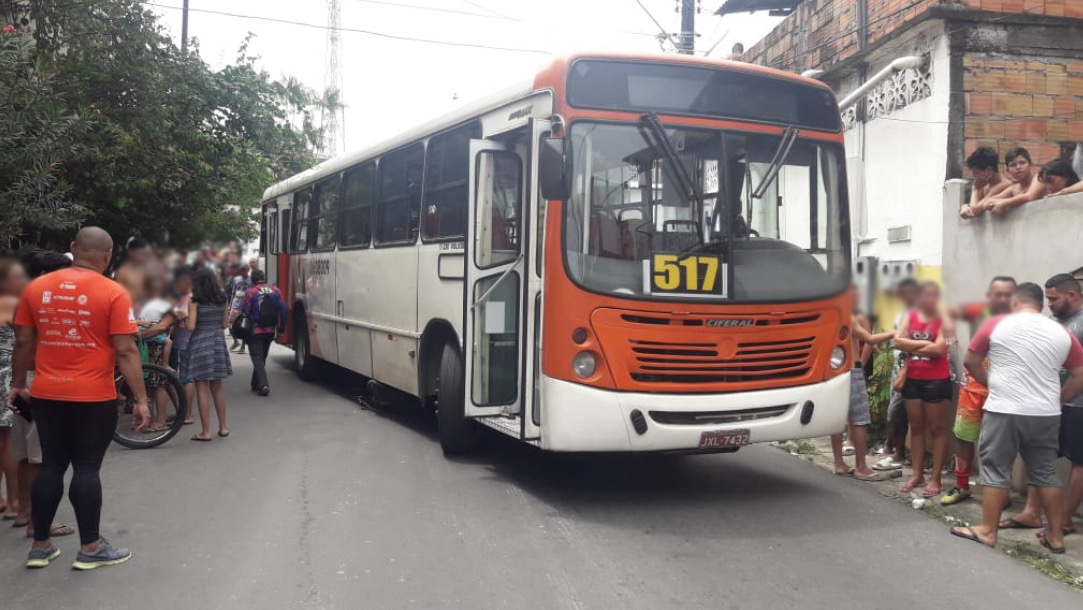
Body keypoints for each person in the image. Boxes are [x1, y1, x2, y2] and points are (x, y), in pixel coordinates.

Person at [8, 227, 150, 570]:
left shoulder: (36, 289)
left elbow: (23, 343)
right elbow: (126, 350)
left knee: (52, 465)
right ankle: (90, 547)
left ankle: (40, 547)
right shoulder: (114, 293)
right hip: (93, 396)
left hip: (46, 393)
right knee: (87, 468)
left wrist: (17, 385)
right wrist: (142, 400)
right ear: (107, 256)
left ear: (72, 248)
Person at [950, 283, 1083, 554]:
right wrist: (1059, 398)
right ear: (1040, 304)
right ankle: (1056, 537)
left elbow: (970, 361)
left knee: (996, 469)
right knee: (1045, 472)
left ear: (1014, 303)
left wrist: (992, 385)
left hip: (1005, 410)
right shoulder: (1062, 332)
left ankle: (988, 530)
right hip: (1046, 413)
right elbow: (1080, 374)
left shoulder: (995, 324)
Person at [6, 253, 75, 540]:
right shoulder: (41, 301)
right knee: (41, 458)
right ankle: (38, 522)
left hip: (22, 381)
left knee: (25, 454)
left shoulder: (21, 299)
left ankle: (24, 512)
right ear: (48, 272)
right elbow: (26, 341)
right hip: (37, 383)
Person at [940, 276, 1017, 506]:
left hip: (1002, 393)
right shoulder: (982, 317)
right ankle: (962, 486)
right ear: (990, 296)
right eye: (998, 294)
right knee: (964, 438)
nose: (1002, 298)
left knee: (1002, 444)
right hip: (971, 390)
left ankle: (1000, 492)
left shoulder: (1021, 323)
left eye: (1007, 294)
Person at [895, 281, 954, 497]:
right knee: (916, 428)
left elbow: (939, 349)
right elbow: (896, 341)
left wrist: (910, 343)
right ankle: (917, 474)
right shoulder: (910, 317)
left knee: (937, 429)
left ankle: (935, 478)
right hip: (912, 379)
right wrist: (923, 346)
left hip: (936, 380)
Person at [831, 293, 895, 481]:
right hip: (851, 371)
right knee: (860, 419)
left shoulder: (830, 316)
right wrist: (892, 333)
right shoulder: (849, 316)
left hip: (832, 372)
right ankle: (861, 467)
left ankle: (839, 463)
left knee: (836, 419)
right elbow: (868, 338)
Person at [874, 278, 921, 471]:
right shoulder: (903, 312)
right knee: (896, 411)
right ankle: (895, 449)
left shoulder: (919, 314)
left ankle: (899, 452)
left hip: (910, 366)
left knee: (900, 411)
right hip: (898, 364)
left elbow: (904, 341)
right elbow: (896, 338)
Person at [186, 267, 232, 442]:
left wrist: (184, 321)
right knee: (217, 387)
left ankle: (206, 432)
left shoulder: (194, 301)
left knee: (202, 389)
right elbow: (225, 324)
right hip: (218, 343)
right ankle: (224, 427)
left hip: (200, 343)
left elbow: (190, 327)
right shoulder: (222, 299)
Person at [0, 258, 24, 521]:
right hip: (8, 378)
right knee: (12, 442)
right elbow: (24, 342)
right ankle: (16, 502)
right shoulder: (12, 306)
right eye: (17, 277)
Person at [137, 275, 176, 433]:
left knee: (158, 384)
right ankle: (149, 418)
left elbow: (162, 327)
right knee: (146, 385)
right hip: (142, 346)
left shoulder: (165, 305)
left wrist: (139, 336)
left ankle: (161, 420)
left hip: (156, 346)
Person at [242, 270, 286, 397]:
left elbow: (246, 311)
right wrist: (282, 328)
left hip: (255, 331)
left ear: (252, 280)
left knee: (257, 357)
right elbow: (282, 311)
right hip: (270, 331)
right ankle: (255, 383)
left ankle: (263, 385)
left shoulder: (251, 293)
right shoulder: (276, 290)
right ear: (264, 278)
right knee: (261, 357)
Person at [981, 147, 1046, 215]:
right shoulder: (1014, 188)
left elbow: (1029, 197)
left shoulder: (1039, 178)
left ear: (1030, 165)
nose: (1018, 167)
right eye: (1013, 165)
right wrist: (999, 203)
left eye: (1022, 163)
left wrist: (1004, 204)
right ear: (1007, 170)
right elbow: (987, 203)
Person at [170, 267, 196, 424]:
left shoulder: (192, 298)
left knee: (187, 378)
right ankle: (183, 411)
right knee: (181, 377)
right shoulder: (180, 296)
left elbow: (187, 317)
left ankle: (187, 414)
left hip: (185, 342)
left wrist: (178, 314)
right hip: (177, 340)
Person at [960, 146, 1011, 219]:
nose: (974, 176)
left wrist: (975, 189)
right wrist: (965, 206)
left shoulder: (1004, 185)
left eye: (976, 172)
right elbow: (973, 206)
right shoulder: (985, 185)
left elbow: (974, 211)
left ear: (989, 170)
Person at [112, 237, 154, 308]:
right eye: (140, 253)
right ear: (131, 252)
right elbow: (116, 294)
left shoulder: (144, 272)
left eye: (144, 254)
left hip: (142, 309)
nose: (142, 257)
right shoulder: (121, 272)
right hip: (125, 307)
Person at [227, 264, 251, 354]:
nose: (243, 272)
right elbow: (233, 292)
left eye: (244, 270)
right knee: (230, 324)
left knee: (244, 326)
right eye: (241, 270)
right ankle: (236, 341)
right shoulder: (236, 279)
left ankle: (243, 346)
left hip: (245, 306)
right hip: (236, 304)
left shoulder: (251, 280)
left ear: (248, 270)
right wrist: (230, 305)